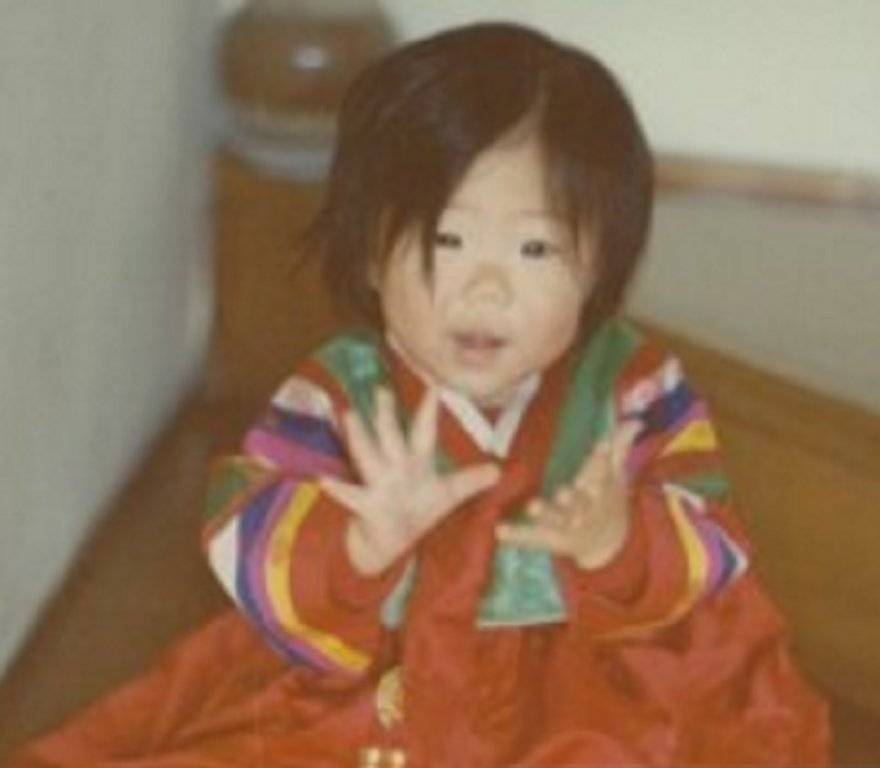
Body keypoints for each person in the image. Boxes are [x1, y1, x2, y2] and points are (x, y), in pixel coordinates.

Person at [11, 21, 829, 768]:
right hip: (372, 675)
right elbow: (252, 525)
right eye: (448, 237)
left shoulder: (632, 385)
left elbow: (708, 528)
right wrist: (359, 546)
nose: (486, 287)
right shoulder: (342, 394)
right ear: (371, 251)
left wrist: (617, 538)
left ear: (599, 266)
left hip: (584, 681)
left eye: (536, 248)